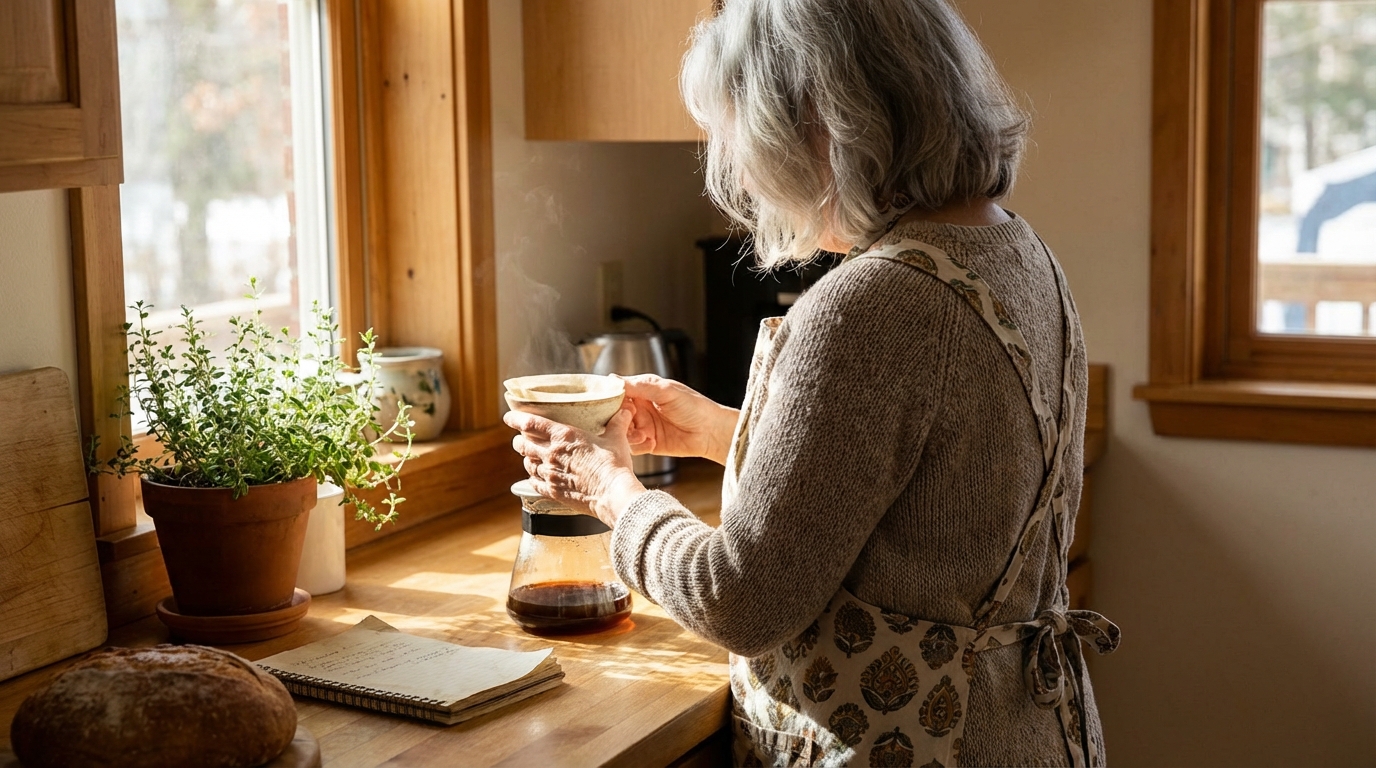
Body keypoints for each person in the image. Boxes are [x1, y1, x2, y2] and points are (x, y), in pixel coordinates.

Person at [504, 0, 1120, 764]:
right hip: (1028, 732)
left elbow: (740, 599)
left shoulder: (872, 304)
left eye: (745, 143)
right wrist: (722, 432)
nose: (752, 183)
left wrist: (609, 490)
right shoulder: (1019, 253)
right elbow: (941, 492)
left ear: (819, 127)